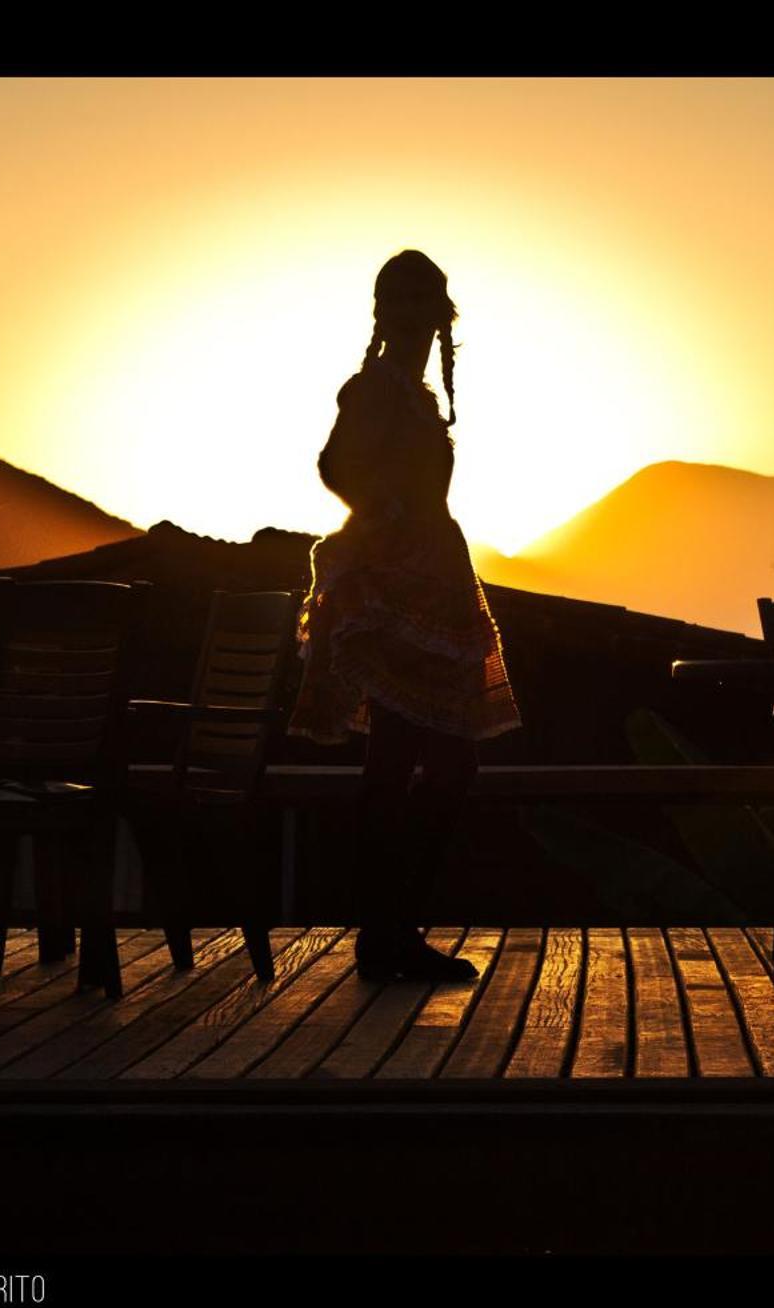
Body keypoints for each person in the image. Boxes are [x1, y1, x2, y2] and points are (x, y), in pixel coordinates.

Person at [287, 250, 521, 983]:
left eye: (432, 316)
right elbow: (332, 464)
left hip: (430, 586)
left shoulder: (411, 398)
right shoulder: (377, 391)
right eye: (415, 314)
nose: (425, 329)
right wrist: (380, 510)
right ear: (392, 319)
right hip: (396, 595)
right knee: (412, 761)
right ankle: (387, 932)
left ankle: (390, 927)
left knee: (427, 762)